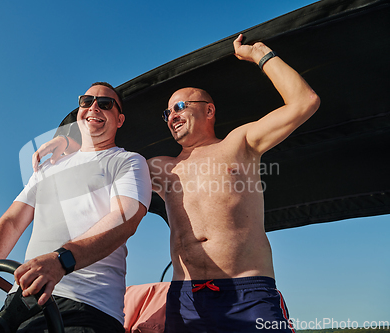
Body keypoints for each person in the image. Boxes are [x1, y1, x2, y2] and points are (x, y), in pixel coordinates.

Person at [34, 35, 320, 332]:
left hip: (247, 292)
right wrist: (71, 139)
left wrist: (259, 54)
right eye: (167, 112)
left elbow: (304, 102)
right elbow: (105, 162)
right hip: (186, 299)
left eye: (180, 106)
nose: (172, 116)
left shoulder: (240, 143)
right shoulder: (159, 167)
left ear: (208, 110)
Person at [0, 82, 152, 333]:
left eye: (105, 104)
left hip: (86, 306)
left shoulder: (127, 161)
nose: (93, 107)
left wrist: (61, 259)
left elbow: (125, 217)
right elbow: (11, 221)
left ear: (119, 120)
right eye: (86, 101)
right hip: (19, 299)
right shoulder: (48, 166)